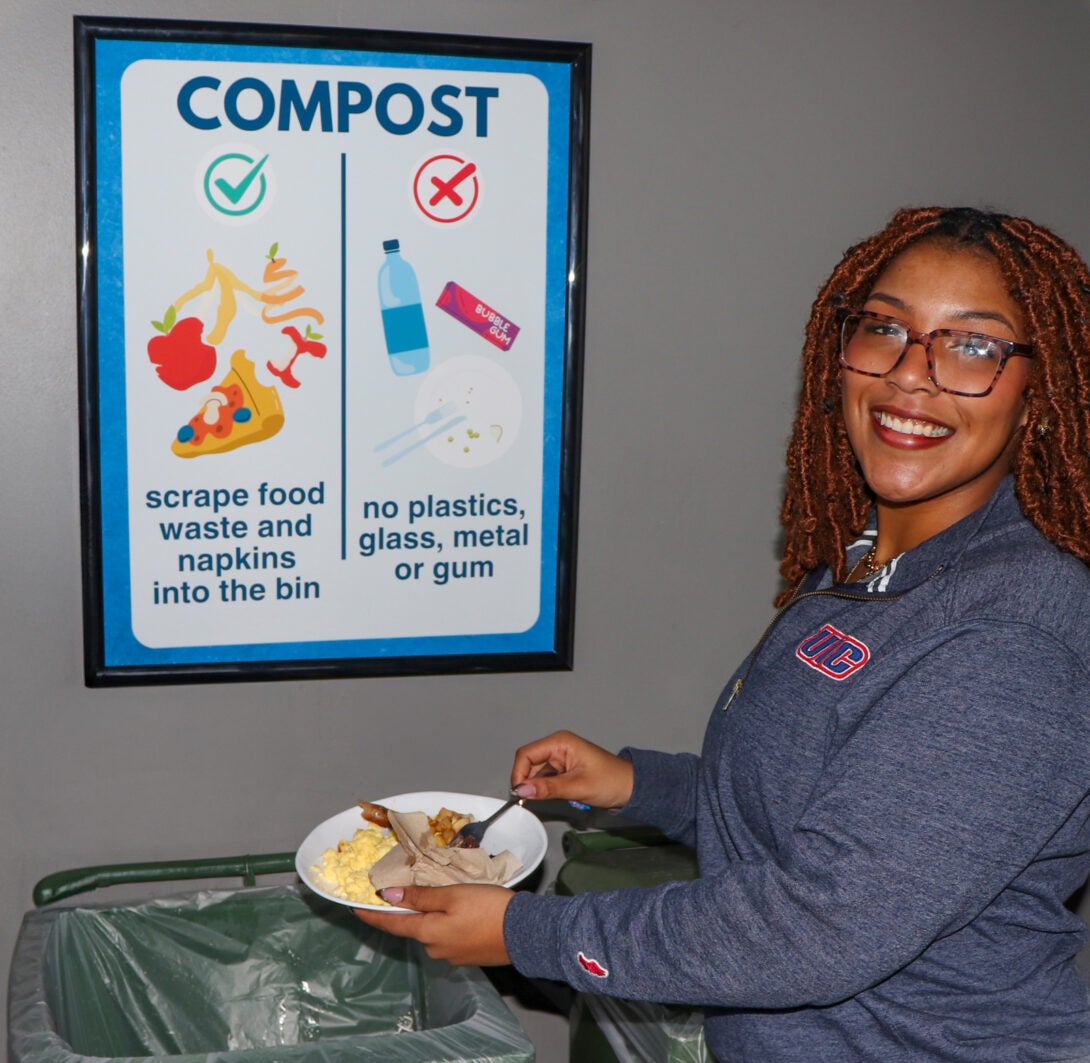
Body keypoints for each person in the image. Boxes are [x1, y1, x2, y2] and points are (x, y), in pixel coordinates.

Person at [357, 206, 1090, 1061]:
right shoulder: (866, 561)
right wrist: (642, 785)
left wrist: (528, 933)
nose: (908, 375)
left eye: (971, 345)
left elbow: (817, 926)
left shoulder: (1014, 639)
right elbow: (827, 805)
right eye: (885, 328)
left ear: (1043, 395)